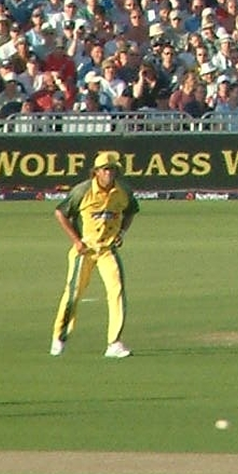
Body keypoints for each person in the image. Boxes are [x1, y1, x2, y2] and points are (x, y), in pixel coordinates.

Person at [51, 151, 140, 358]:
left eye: (113, 169)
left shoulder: (123, 190)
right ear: (97, 172)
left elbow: (131, 211)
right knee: (73, 294)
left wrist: (122, 232)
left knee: (116, 290)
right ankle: (59, 337)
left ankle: (114, 343)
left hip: (107, 249)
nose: (110, 173)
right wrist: (76, 240)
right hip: (85, 251)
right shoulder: (82, 191)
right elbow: (60, 213)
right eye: (106, 169)